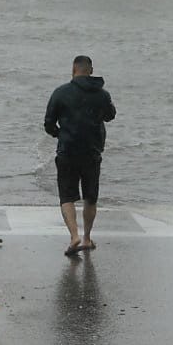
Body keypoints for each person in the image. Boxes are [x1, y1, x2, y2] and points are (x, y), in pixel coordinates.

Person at [44, 55, 116, 256]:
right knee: (90, 197)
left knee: (66, 195)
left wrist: (61, 134)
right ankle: (86, 238)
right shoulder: (102, 95)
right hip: (92, 152)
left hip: (67, 151)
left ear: (73, 70)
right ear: (90, 71)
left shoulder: (60, 93)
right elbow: (110, 115)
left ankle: (74, 236)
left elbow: (48, 123)